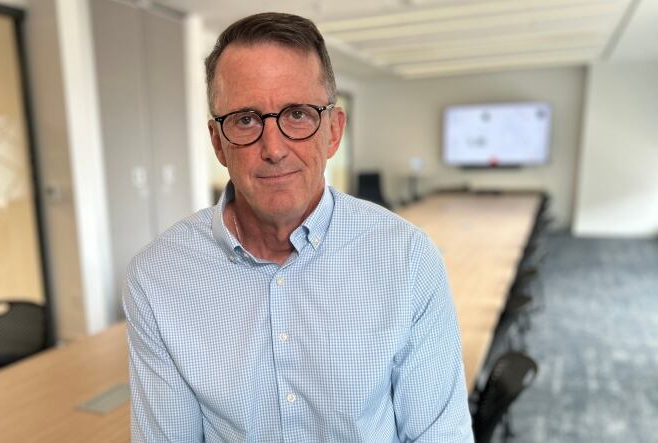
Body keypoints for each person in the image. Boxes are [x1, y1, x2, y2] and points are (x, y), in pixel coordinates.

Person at [123, 12, 473, 442]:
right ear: (218, 142)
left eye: (298, 114)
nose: (274, 148)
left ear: (333, 131)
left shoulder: (408, 259)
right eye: (246, 120)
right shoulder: (157, 278)